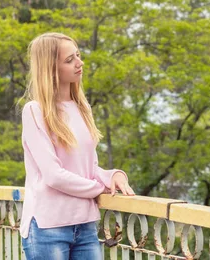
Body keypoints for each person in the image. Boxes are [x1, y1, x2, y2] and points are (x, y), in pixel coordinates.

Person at [19, 32, 135, 259]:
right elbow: (54, 176)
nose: (79, 63)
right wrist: (99, 188)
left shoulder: (82, 109)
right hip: (47, 227)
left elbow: (86, 169)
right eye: (69, 60)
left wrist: (111, 176)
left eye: (78, 56)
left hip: (85, 225)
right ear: (51, 68)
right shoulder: (34, 111)